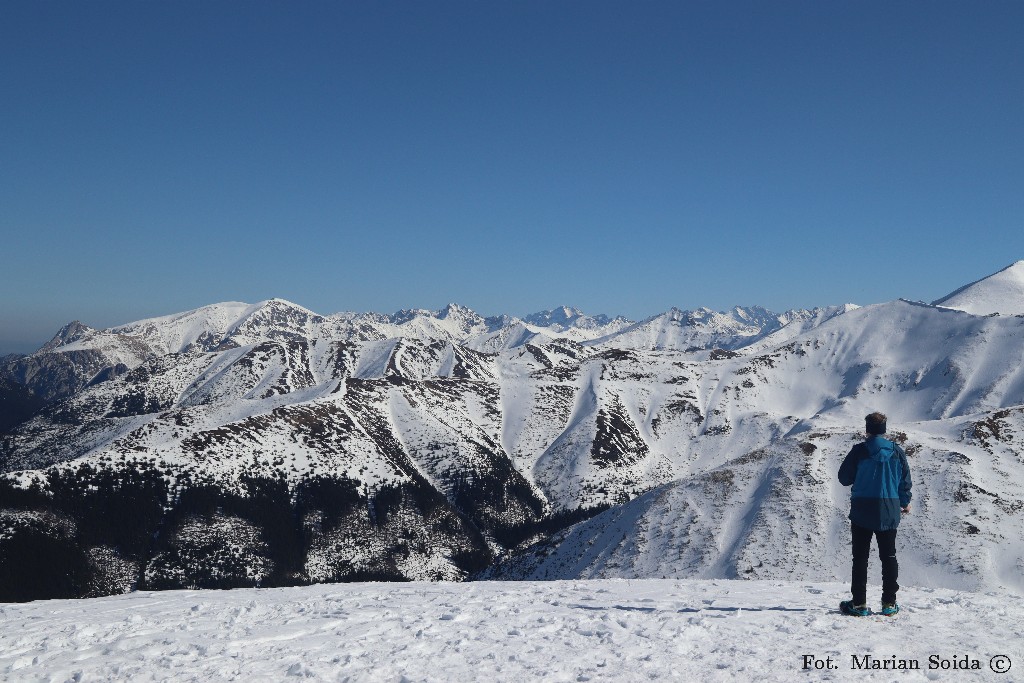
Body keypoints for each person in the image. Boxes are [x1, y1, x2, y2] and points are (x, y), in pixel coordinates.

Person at [837, 412, 912, 616]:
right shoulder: (897, 452)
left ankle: (859, 604)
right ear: (884, 429)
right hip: (889, 509)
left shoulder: (859, 451)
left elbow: (844, 478)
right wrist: (904, 502)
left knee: (860, 558)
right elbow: (905, 481)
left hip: (862, 509)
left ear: (867, 429)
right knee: (889, 556)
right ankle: (889, 603)